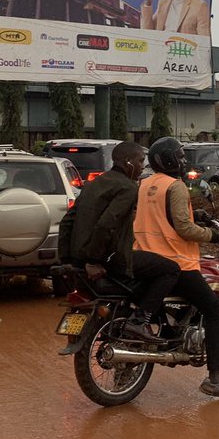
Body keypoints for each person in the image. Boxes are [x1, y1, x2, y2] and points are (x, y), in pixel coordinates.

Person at [134, 135, 219, 399]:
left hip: (145, 258)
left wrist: (197, 214)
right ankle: (215, 379)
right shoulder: (176, 186)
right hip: (176, 261)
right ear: (168, 160)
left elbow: (161, 216)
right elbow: (182, 228)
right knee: (215, 310)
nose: (182, 161)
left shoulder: (145, 183)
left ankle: (169, 336)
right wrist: (214, 236)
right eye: (179, 156)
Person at [57, 141, 179, 344]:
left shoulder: (96, 183)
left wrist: (70, 260)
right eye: (140, 161)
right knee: (170, 269)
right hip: (109, 259)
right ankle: (139, 320)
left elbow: (67, 221)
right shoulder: (128, 187)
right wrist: (93, 260)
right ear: (128, 162)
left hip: (81, 259)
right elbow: (107, 224)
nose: (142, 167)